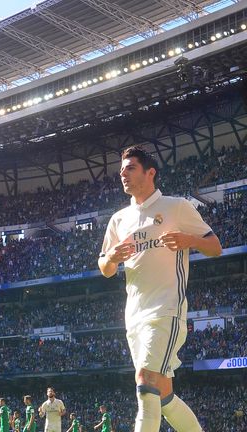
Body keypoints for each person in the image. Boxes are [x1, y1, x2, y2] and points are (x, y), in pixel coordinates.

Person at [98, 145, 222, 432]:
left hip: (166, 309)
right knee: (163, 395)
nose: (123, 175)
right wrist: (112, 257)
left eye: (130, 168)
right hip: (134, 316)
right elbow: (104, 268)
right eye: (121, 171)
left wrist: (190, 240)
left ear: (150, 172)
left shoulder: (176, 206)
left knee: (146, 381)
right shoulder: (119, 219)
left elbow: (215, 246)